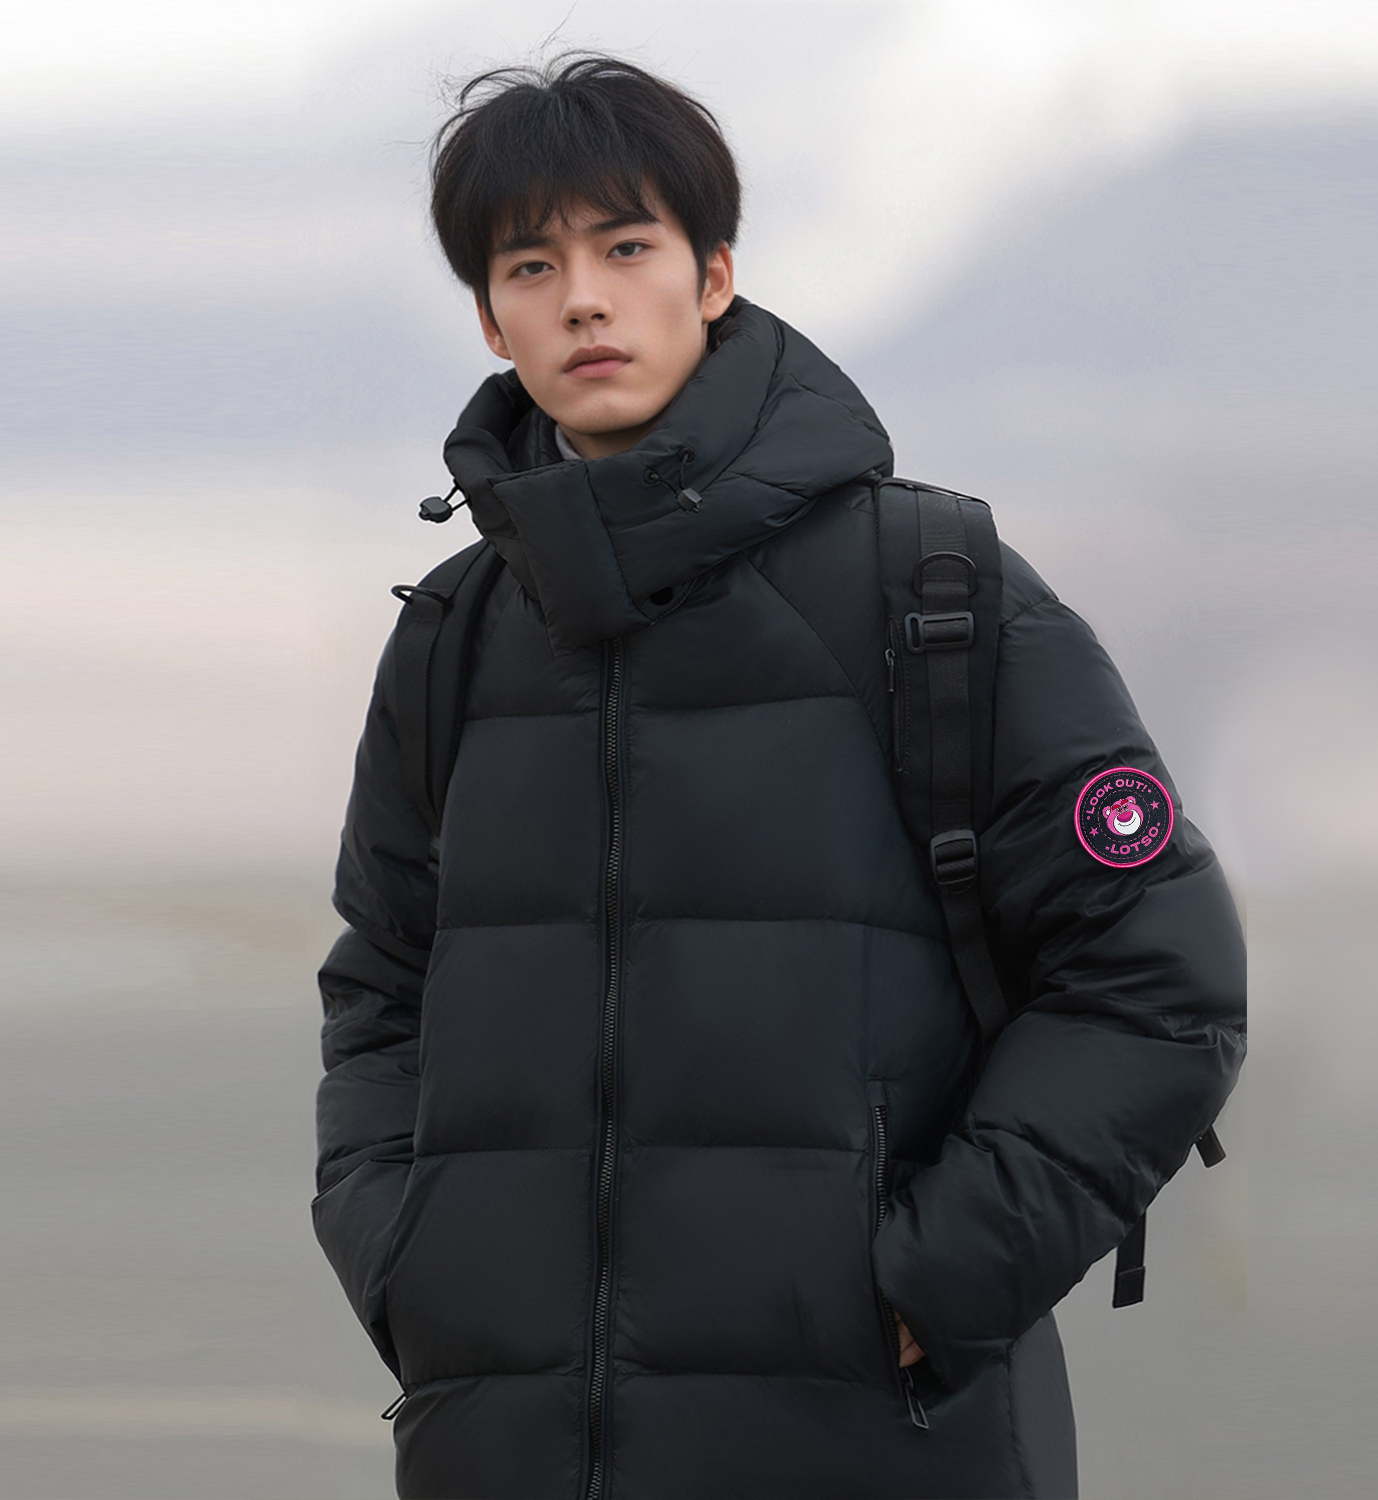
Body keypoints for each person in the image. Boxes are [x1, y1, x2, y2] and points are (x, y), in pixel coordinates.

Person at [312, 53, 1246, 1500]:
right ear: (491, 318)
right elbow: (382, 990)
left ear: (715, 274)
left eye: (628, 248)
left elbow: (1156, 975)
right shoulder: (453, 638)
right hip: (508, 1447)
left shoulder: (934, 589)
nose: (584, 299)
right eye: (532, 265)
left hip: (876, 1438)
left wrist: (940, 1279)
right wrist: (413, 1265)